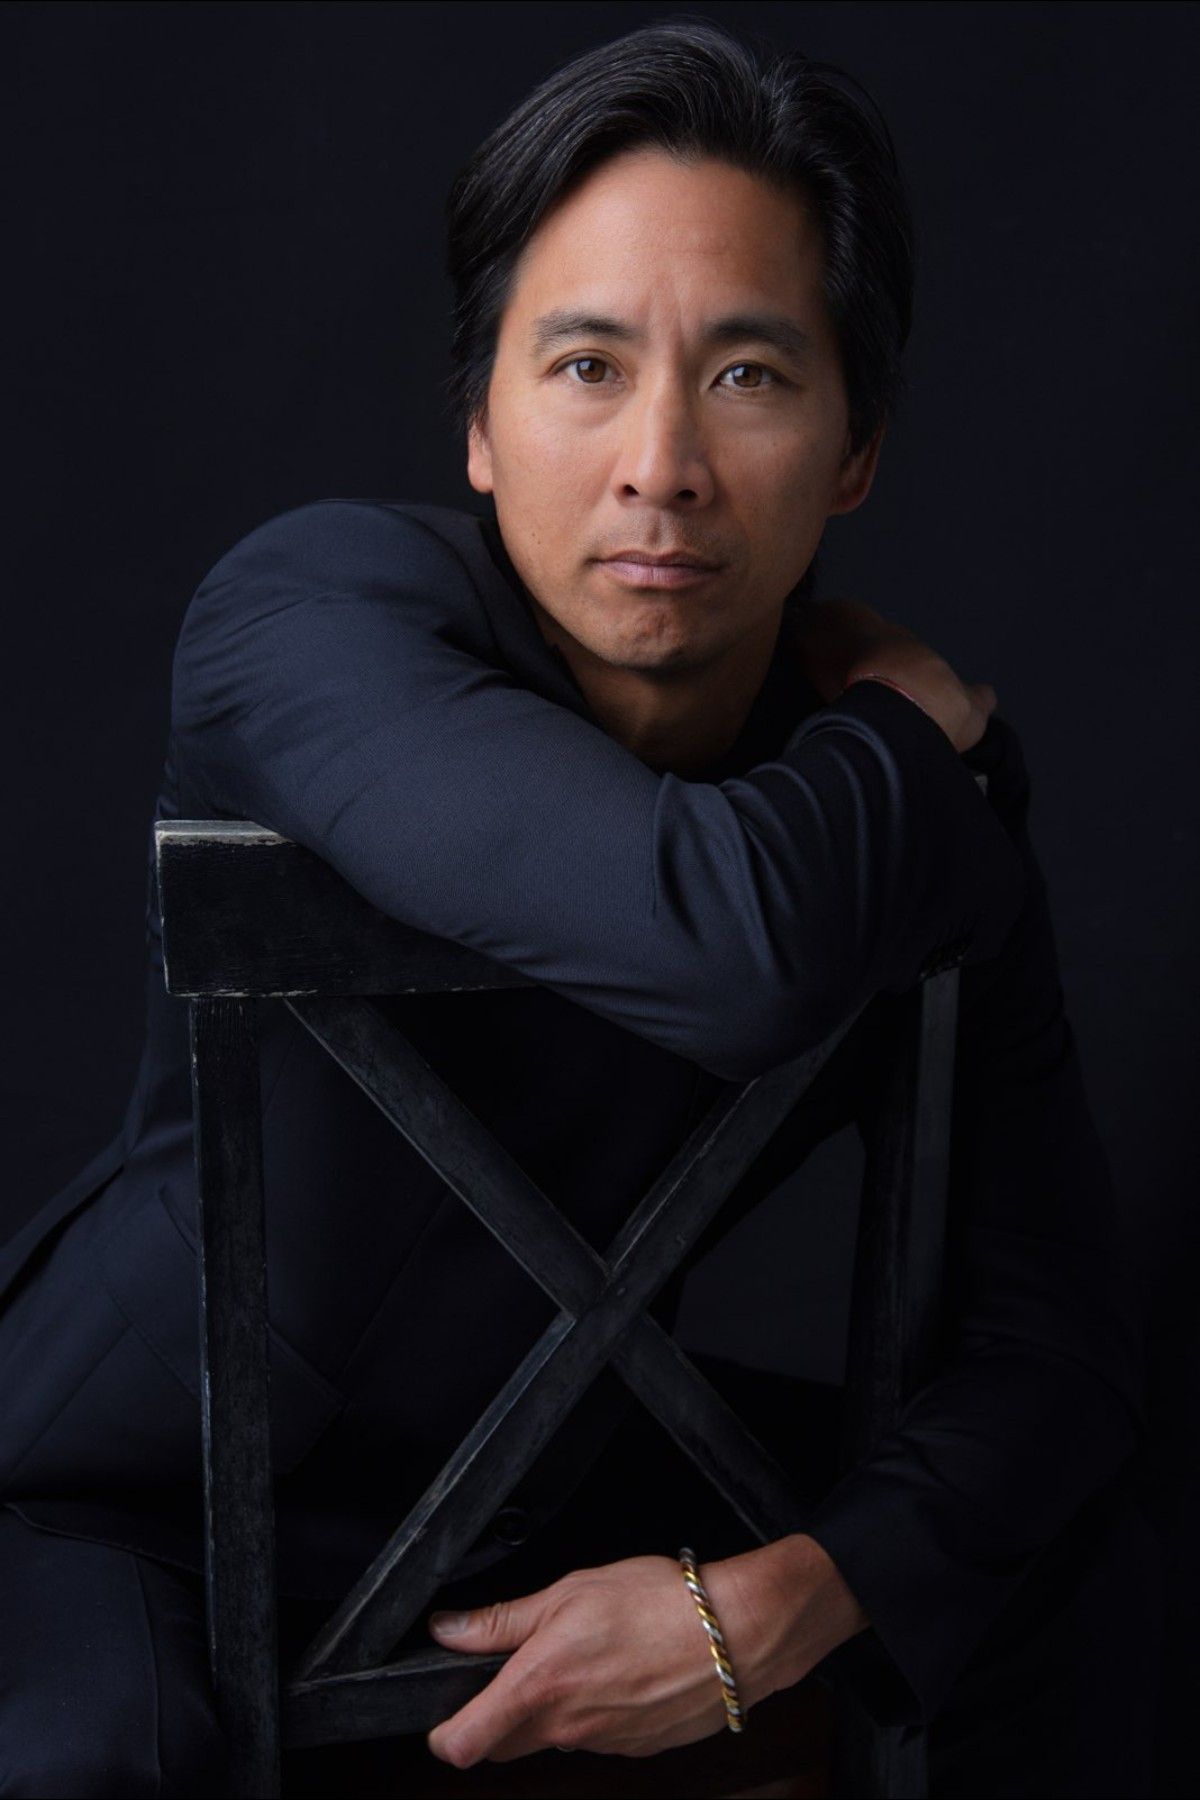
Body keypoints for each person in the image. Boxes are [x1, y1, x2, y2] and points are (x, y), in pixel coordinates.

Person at [0, 19, 1160, 1797]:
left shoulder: (902, 792)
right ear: (480, 423)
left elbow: (1056, 1340)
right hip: (125, 1504)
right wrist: (902, 729)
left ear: (856, 448)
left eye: (750, 373)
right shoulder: (310, 615)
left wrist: (781, 1600)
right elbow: (732, 944)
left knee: (1084, 1560)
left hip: (546, 1498)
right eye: (588, 366)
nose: (661, 465)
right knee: (86, 1763)